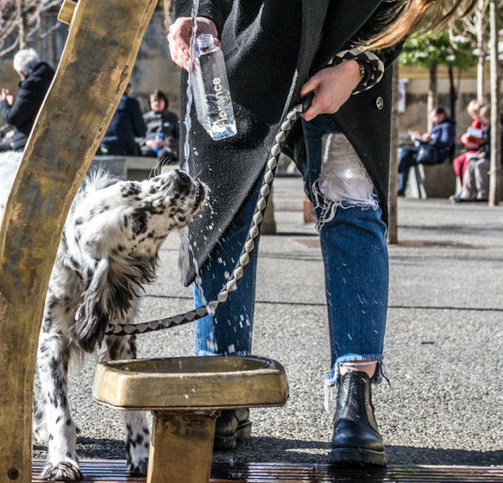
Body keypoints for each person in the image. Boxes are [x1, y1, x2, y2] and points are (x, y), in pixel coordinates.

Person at [167, 0, 476, 466]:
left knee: (349, 205)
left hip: (344, 40)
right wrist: (197, 13)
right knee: (220, 211)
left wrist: (359, 66)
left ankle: (355, 393)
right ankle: (222, 382)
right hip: (234, 44)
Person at [0, 48, 55, 153]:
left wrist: (0, 102)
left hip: (29, 143)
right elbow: (28, 112)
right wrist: (13, 104)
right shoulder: (50, 79)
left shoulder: (32, 85)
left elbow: (13, 118)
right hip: (46, 139)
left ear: (22, 73)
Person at [397, 106, 456, 196]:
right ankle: (399, 173)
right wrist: (420, 139)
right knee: (404, 151)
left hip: (435, 155)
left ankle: (399, 177)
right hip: (428, 151)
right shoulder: (439, 126)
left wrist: (431, 139)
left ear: (441, 115)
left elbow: (445, 143)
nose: (433, 120)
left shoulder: (447, 127)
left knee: (406, 159)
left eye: (434, 117)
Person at [451, 104, 492, 202]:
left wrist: (484, 154)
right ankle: (467, 193)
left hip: (490, 157)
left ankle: (483, 194)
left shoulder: (494, 127)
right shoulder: (483, 125)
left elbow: (494, 146)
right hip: (482, 152)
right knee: (471, 164)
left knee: (480, 165)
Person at [99, 83, 146, 156]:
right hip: (125, 146)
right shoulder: (131, 103)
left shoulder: (105, 102)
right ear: (128, 90)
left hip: (105, 145)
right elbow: (141, 131)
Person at [138, 90, 180, 165]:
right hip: (149, 148)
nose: (157, 103)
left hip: (167, 149)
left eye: (159, 100)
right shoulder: (145, 118)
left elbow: (180, 138)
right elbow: (137, 137)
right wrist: (147, 142)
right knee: (145, 153)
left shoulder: (172, 117)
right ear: (150, 103)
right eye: (154, 101)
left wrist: (167, 143)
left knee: (163, 155)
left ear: (165, 102)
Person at [452, 99, 487, 185]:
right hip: (474, 149)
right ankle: (463, 188)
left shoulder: (487, 123)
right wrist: (464, 139)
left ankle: (469, 190)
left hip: (482, 150)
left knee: (467, 163)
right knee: (458, 161)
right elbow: (470, 135)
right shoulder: (476, 123)